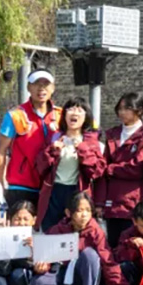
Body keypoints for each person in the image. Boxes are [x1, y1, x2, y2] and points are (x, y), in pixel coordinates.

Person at [32, 191, 132, 285]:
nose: (84, 215)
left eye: (88, 210)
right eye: (79, 210)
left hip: (84, 278)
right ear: (69, 213)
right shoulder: (57, 230)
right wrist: (42, 265)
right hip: (62, 276)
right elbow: (45, 257)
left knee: (89, 254)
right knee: (38, 283)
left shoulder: (96, 232)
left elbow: (108, 263)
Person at [0, 69, 61, 211]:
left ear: (53, 88)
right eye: (36, 84)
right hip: (21, 185)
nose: (41, 88)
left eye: (46, 84)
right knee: (20, 224)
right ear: (28, 87)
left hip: (52, 184)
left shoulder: (61, 115)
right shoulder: (15, 115)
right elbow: (1, 151)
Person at [96, 92, 143, 248]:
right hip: (112, 202)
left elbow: (137, 168)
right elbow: (102, 171)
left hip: (134, 201)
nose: (122, 112)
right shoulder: (112, 134)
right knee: (112, 245)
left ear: (139, 110)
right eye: (120, 108)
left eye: (127, 108)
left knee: (131, 246)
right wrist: (99, 202)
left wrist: (111, 168)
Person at [35, 98, 102, 232]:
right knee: (51, 231)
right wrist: (52, 150)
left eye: (80, 110)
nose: (74, 113)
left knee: (76, 231)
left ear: (86, 117)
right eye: (70, 109)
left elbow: (96, 171)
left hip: (77, 191)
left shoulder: (91, 141)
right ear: (64, 115)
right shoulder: (54, 137)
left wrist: (82, 149)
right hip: (54, 191)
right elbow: (40, 167)